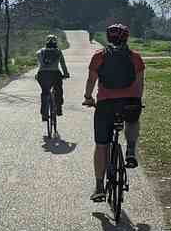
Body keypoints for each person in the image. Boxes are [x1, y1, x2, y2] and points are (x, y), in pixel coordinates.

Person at [82, 22, 145, 202]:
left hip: (106, 105)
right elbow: (140, 84)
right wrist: (136, 101)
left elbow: (91, 80)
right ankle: (131, 150)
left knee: (102, 145)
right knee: (132, 121)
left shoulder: (99, 56)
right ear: (127, 38)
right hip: (129, 103)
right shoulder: (136, 58)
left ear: (108, 37)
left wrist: (88, 97)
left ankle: (100, 187)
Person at [35, 34, 70, 122]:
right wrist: (66, 74)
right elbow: (63, 65)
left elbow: (39, 65)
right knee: (58, 90)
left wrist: (37, 74)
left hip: (42, 74)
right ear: (56, 42)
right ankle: (58, 108)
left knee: (45, 92)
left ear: (46, 42)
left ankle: (44, 114)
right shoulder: (58, 51)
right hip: (55, 74)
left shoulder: (40, 52)